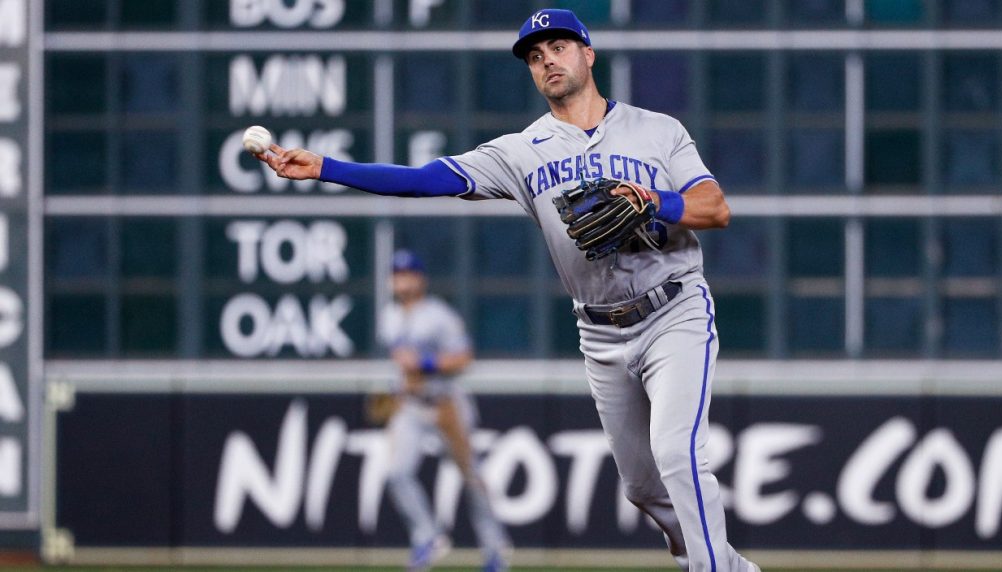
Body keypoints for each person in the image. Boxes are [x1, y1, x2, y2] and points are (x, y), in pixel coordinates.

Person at [255, 8, 759, 572]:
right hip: (600, 332)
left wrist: (653, 201)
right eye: (536, 56)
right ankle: (726, 563)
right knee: (642, 487)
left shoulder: (657, 130)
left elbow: (715, 209)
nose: (548, 60)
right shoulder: (522, 151)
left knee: (676, 453)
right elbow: (425, 181)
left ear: (588, 54)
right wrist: (326, 166)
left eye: (559, 47)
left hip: (674, 311)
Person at [375, 249, 512, 572]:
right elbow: (400, 365)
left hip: (446, 405)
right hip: (410, 406)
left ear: (420, 279)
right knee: (397, 473)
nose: (401, 280)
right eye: (396, 274)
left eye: (407, 274)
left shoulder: (439, 315)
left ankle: (495, 548)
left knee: (470, 477)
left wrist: (424, 364)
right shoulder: (388, 316)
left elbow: (463, 358)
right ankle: (427, 536)